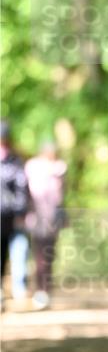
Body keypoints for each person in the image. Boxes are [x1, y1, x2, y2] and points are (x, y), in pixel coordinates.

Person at [25, 141, 67, 310]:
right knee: (39, 257)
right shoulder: (32, 167)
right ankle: (40, 291)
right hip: (36, 220)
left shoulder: (60, 168)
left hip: (53, 220)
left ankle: (46, 290)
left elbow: (63, 195)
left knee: (49, 257)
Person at [0, 119, 30, 311]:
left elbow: (22, 187)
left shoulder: (15, 161)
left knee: (18, 251)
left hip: (11, 217)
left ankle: (19, 290)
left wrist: (20, 210)